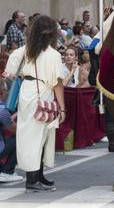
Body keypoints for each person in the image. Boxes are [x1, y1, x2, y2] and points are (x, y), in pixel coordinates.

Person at [5, 15, 66, 192]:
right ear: (51, 34)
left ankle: (37, 176)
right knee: (40, 136)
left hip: (27, 92)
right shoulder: (53, 55)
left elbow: (9, 73)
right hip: (43, 94)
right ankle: (32, 180)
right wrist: (62, 108)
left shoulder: (23, 51)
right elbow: (57, 83)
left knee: (31, 136)